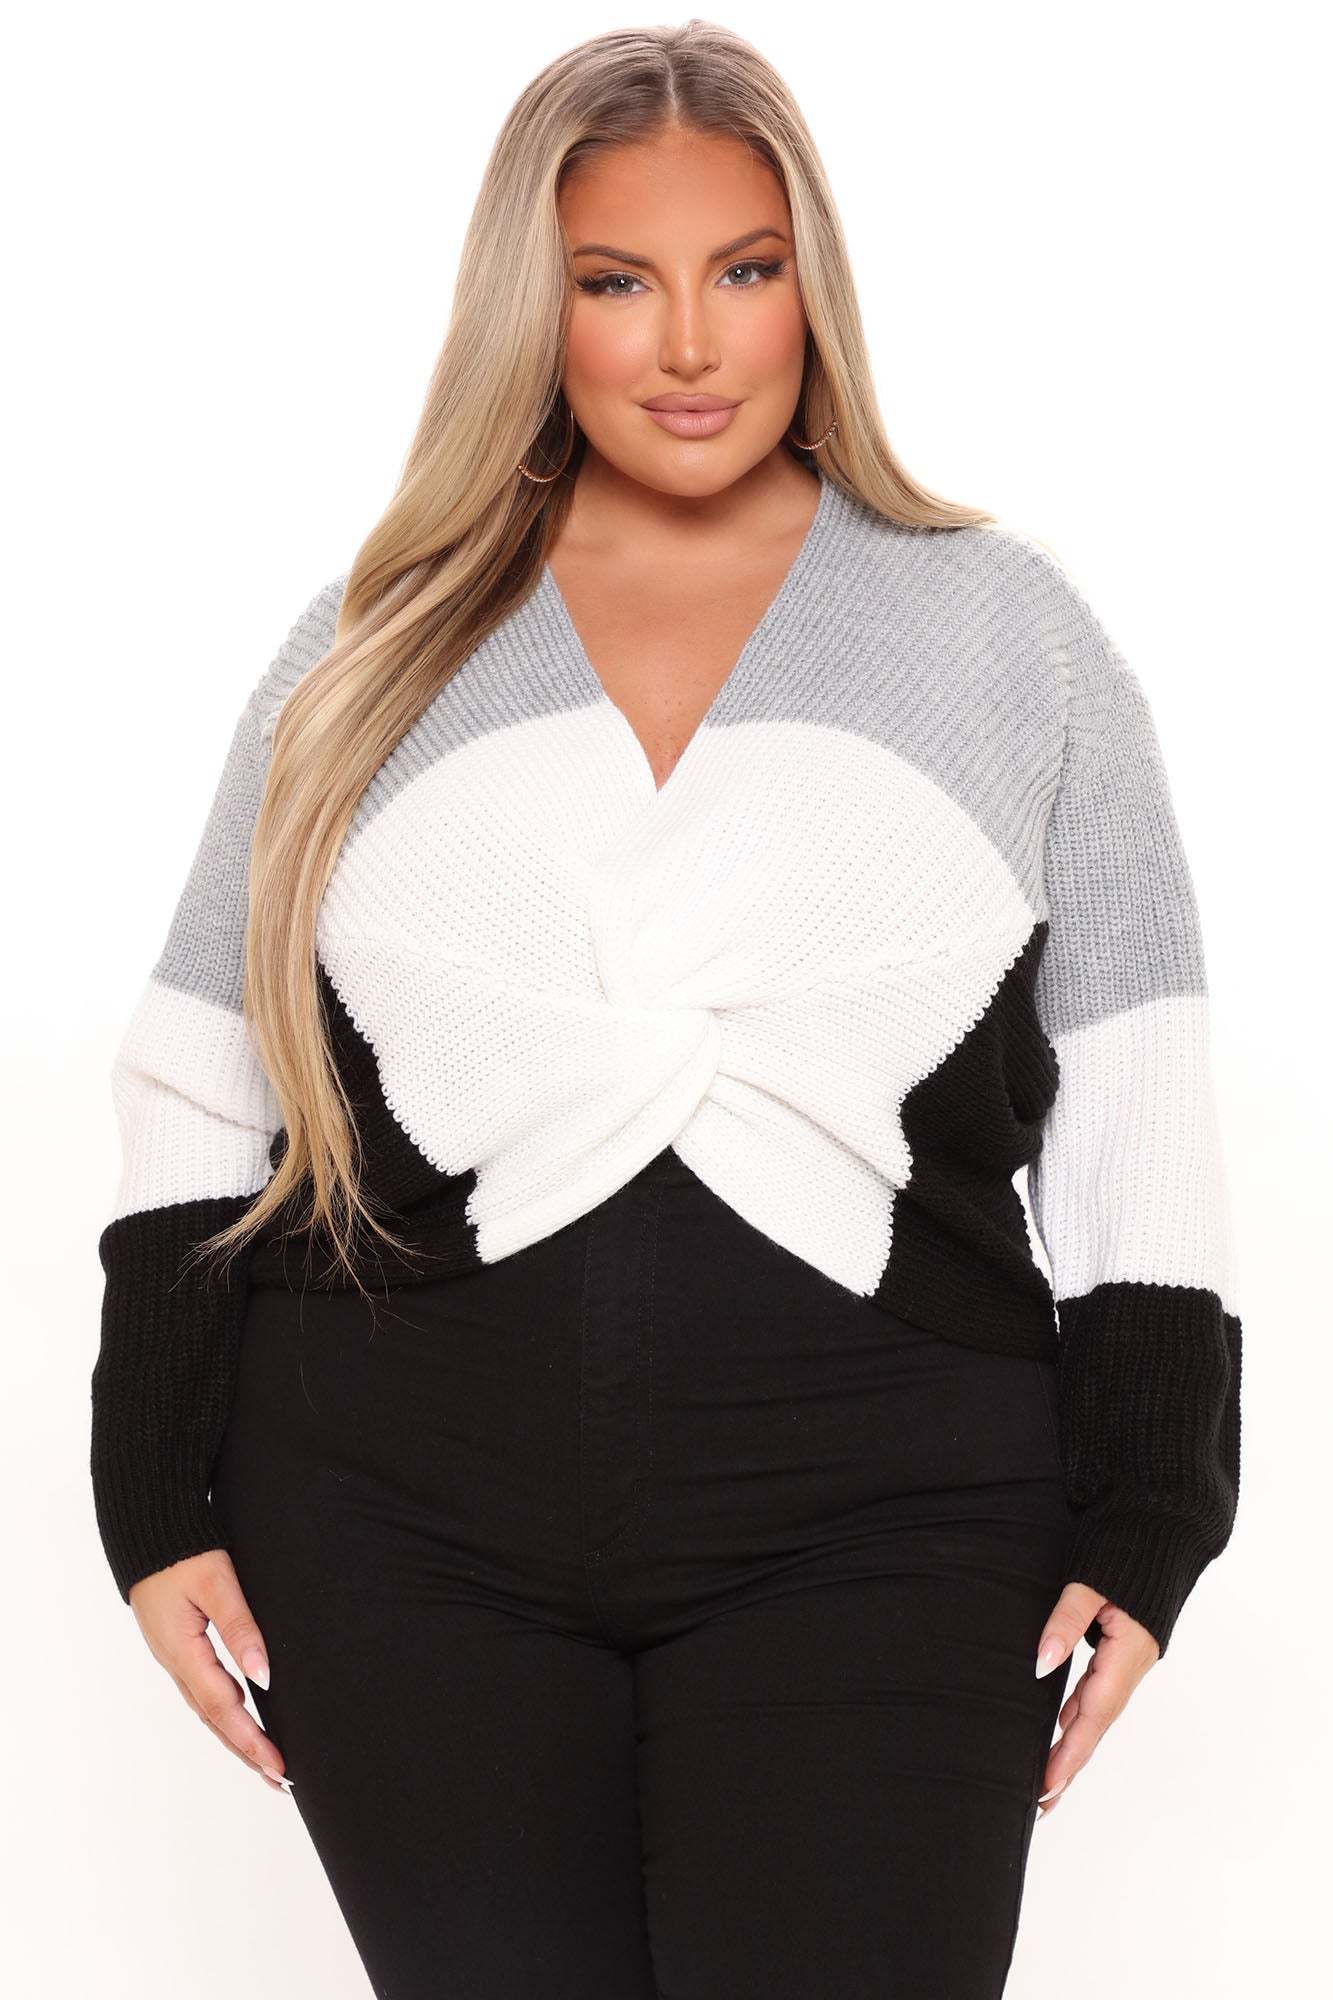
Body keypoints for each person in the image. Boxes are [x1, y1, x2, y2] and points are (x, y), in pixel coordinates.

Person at [89, 21, 1243, 1998]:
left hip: (887, 1517)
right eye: (616, 282)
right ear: (532, 313)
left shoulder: (1004, 634)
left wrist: (1155, 1504)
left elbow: (1137, 1086)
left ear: (814, 288)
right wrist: (150, 1484)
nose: (689, 343)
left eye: (745, 268)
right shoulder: (372, 643)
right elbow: (203, 1072)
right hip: (395, 1521)